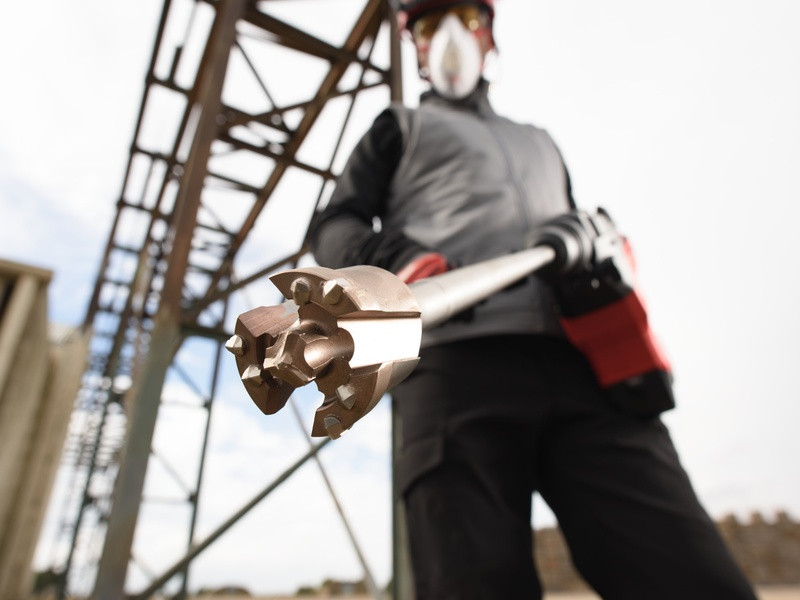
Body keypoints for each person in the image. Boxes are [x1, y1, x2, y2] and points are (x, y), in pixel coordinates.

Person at [309, 1, 758, 598]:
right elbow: (333, 224)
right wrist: (394, 256)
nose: (450, 35)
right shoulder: (399, 128)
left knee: (691, 575)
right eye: (429, 24)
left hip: (584, 369)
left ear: (490, 35)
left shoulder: (540, 142)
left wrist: (585, 243)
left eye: (468, 17)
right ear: (414, 44)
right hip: (454, 368)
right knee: (473, 583)